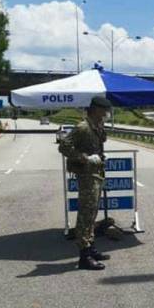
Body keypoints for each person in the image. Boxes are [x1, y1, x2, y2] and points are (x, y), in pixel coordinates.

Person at [58, 96, 112, 270]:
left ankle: (91, 247)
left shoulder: (96, 126)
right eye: (104, 110)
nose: (106, 113)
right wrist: (85, 158)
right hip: (87, 176)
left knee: (92, 214)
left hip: (96, 174)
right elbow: (64, 146)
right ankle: (84, 256)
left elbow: (100, 143)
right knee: (85, 215)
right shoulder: (82, 127)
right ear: (95, 109)